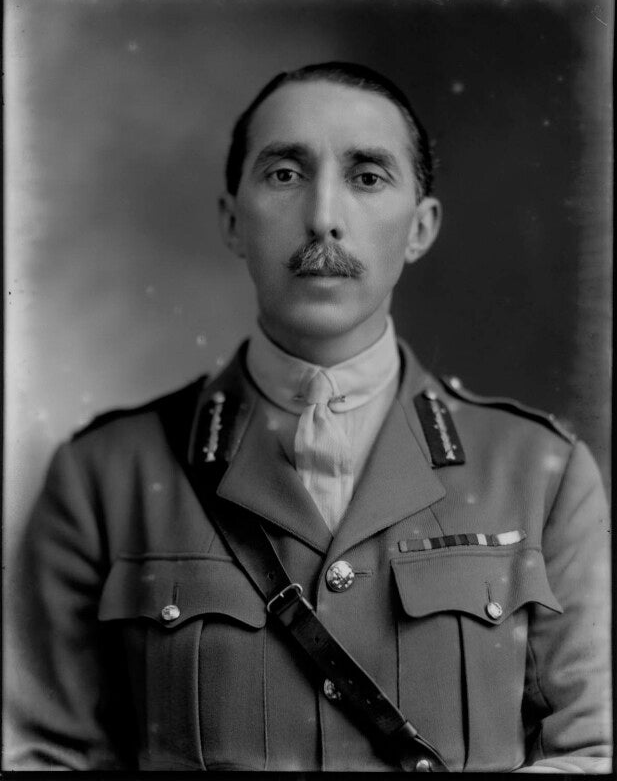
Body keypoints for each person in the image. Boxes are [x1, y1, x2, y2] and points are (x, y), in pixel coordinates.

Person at [9, 62, 610, 773]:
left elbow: (594, 751)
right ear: (232, 220)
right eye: (285, 174)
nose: (324, 214)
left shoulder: (541, 475)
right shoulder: (105, 478)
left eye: (367, 177)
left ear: (420, 228)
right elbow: (38, 756)